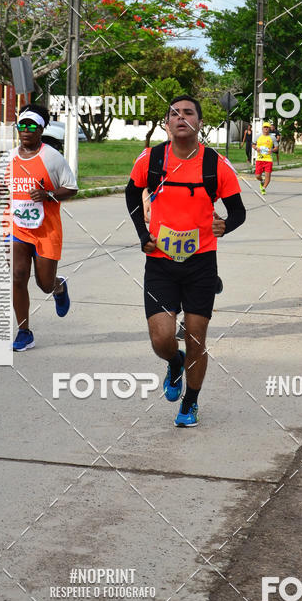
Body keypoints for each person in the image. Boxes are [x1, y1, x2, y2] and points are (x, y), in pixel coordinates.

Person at [125, 95, 246, 428]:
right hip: (161, 262)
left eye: (188, 113)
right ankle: (174, 363)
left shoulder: (215, 165)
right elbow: (132, 193)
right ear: (167, 123)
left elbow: (238, 211)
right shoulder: (150, 160)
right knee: (161, 338)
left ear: (199, 123)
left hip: (201, 264)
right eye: (174, 114)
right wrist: (142, 234)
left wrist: (227, 224)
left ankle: (190, 403)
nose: (181, 118)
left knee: (196, 338)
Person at [2, 104, 78, 351]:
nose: (25, 130)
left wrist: (48, 194)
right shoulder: (9, 157)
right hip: (17, 228)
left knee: (43, 284)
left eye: (31, 126)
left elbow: (71, 188)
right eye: (21, 125)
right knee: (17, 276)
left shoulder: (52, 157)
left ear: (41, 129)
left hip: (46, 230)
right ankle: (24, 332)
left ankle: (58, 286)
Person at [253, 122, 275, 195]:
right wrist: (256, 148)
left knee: (267, 176)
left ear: (269, 129)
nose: (266, 128)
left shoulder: (272, 137)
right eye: (264, 127)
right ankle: (262, 181)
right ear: (262, 128)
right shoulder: (258, 136)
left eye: (267, 127)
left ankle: (263, 188)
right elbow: (253, 144)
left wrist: (271, 150)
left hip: (268, 159)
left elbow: (277, 147)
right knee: (257, 176)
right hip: (260, 159)